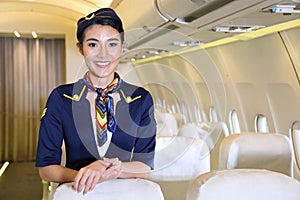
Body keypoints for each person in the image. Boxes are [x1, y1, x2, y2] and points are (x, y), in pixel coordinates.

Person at [35, 7, 157, 196]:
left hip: (124, 194)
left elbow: (144, 166)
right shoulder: (61, 98)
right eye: (93, 45)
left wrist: (105, 168)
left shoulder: (140, 99)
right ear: (81, 49)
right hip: (77, 193)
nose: (103, 54)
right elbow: (46, 167)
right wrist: (88, 176)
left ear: (122, 48)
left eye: (112, 44)